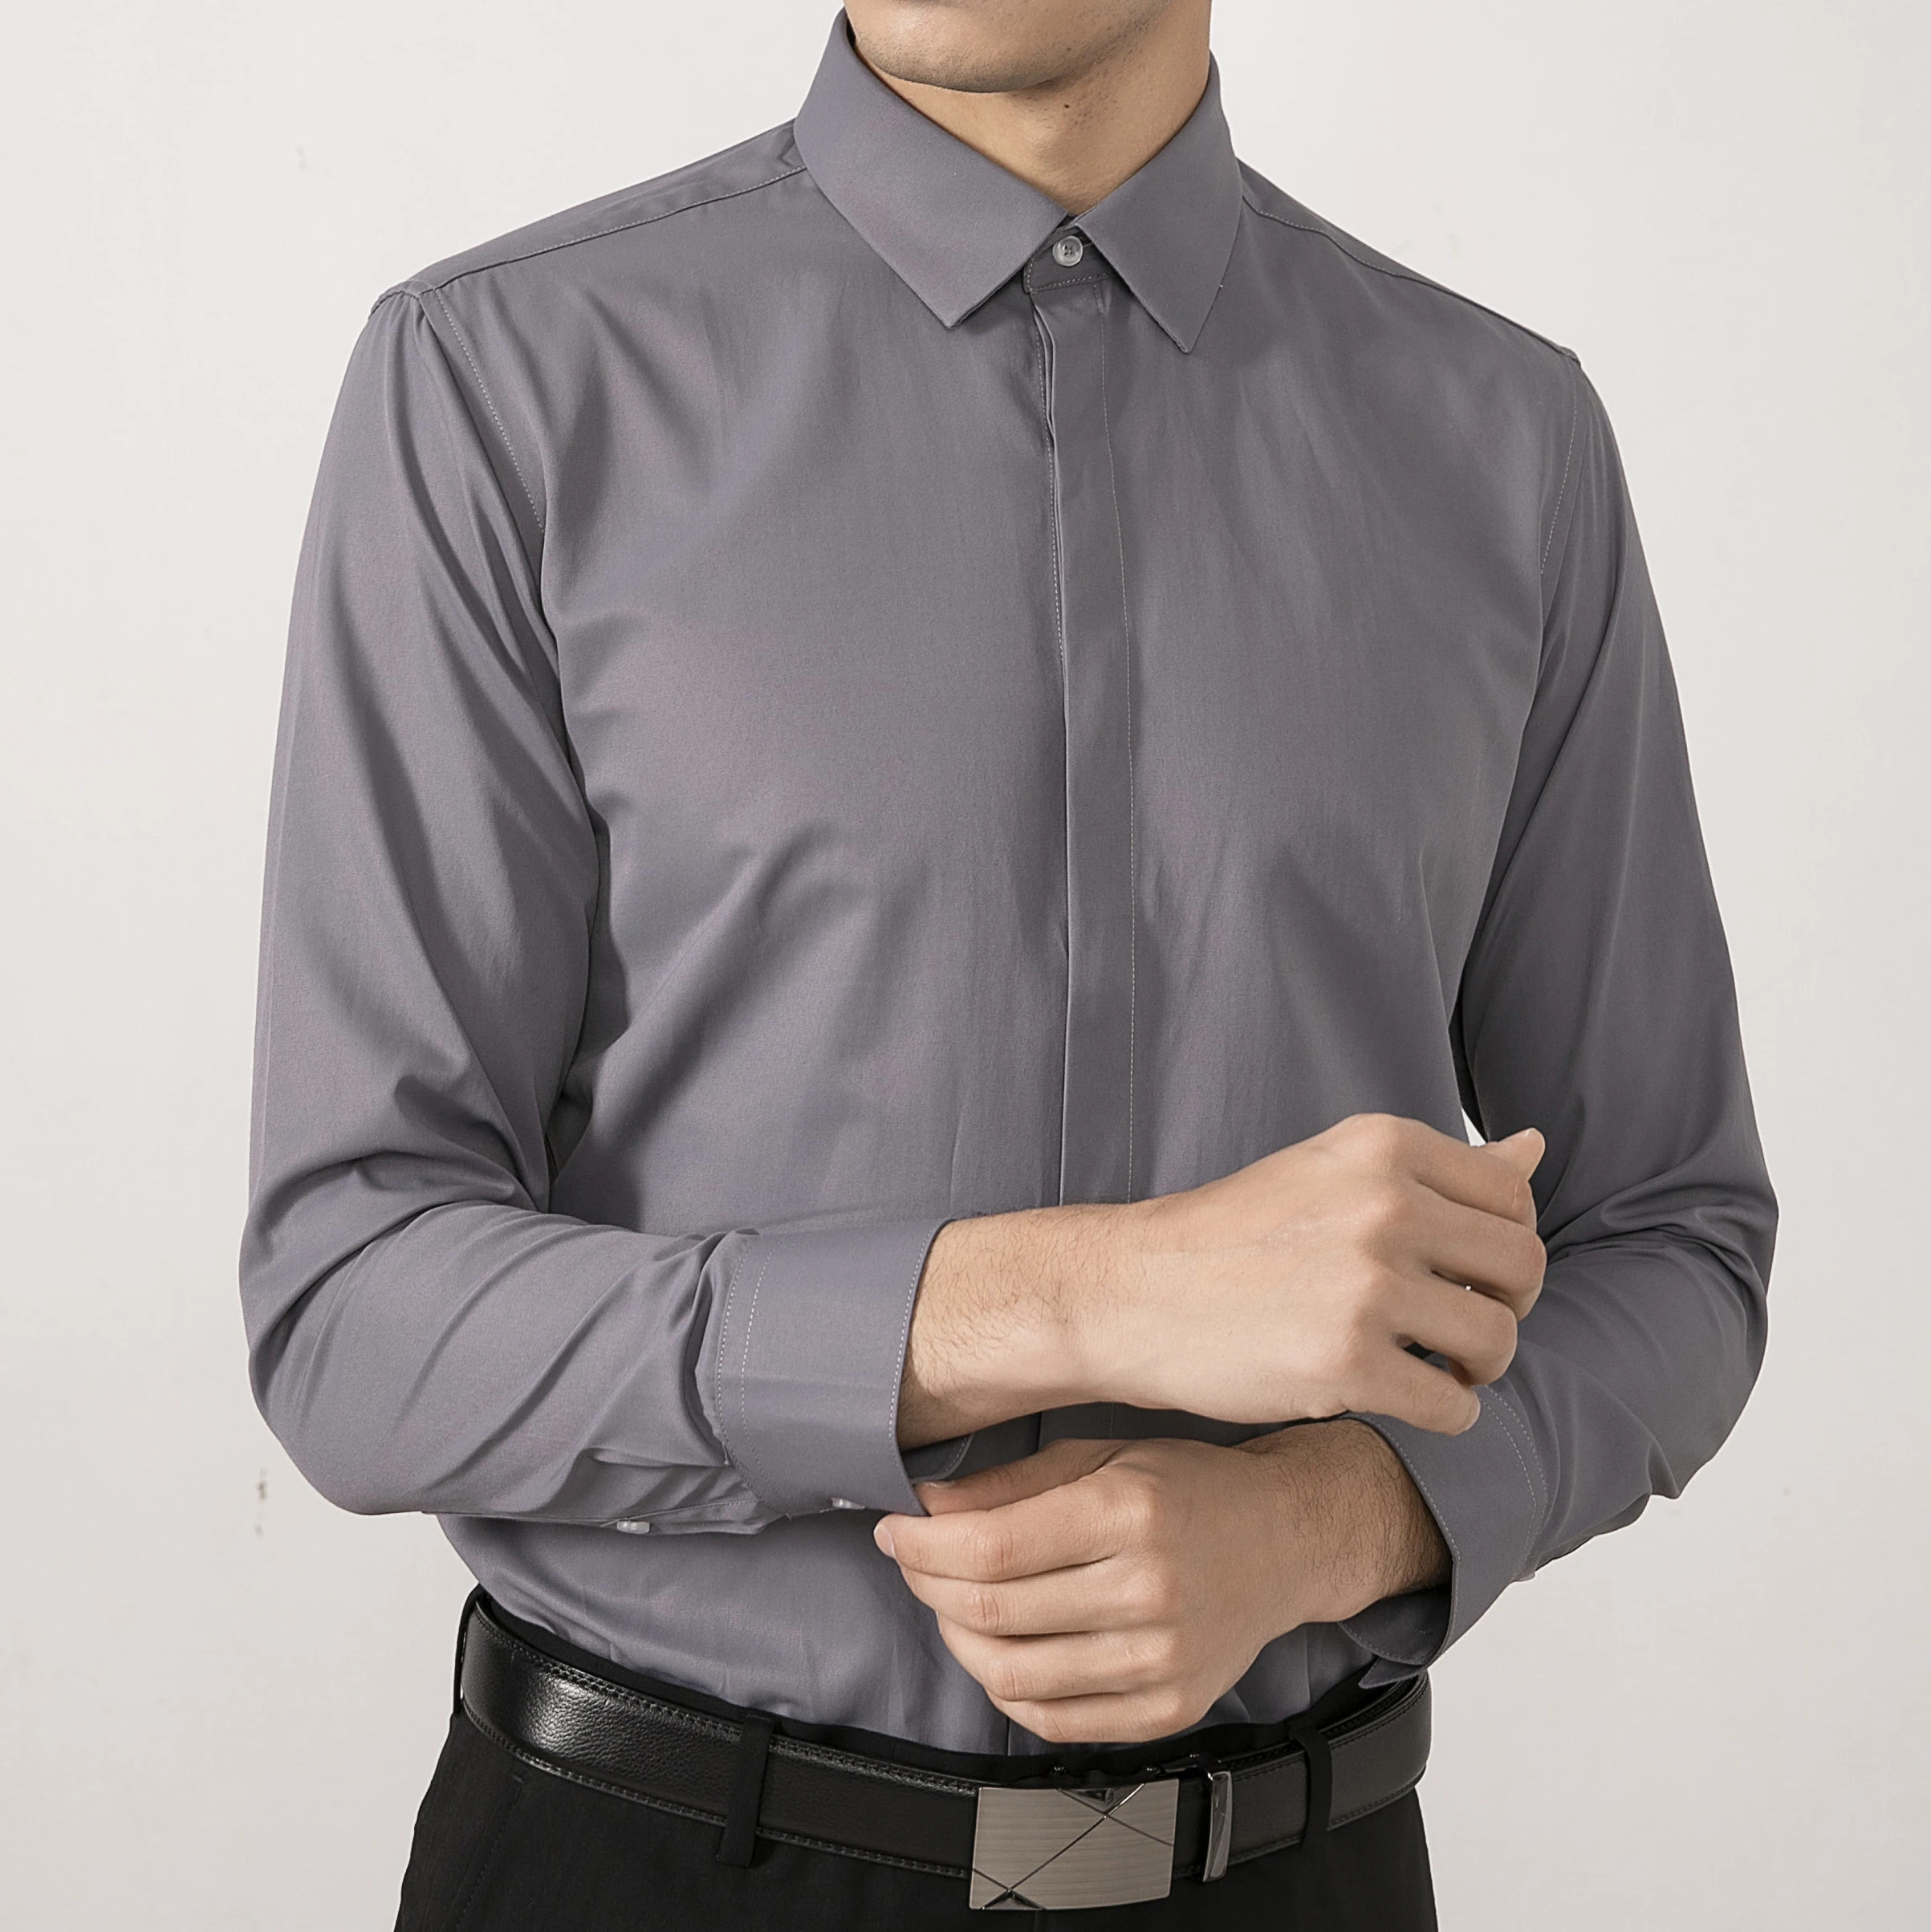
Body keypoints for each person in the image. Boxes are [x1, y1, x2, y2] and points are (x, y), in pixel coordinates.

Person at [240, 2, 1775, 1926]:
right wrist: (1063, 1300)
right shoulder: (500, 384)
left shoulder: (1505, 441)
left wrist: (1331, 1518)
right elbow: (354, 1310)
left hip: (1294, 1875)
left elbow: (1677, 1240)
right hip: (646, 1865)